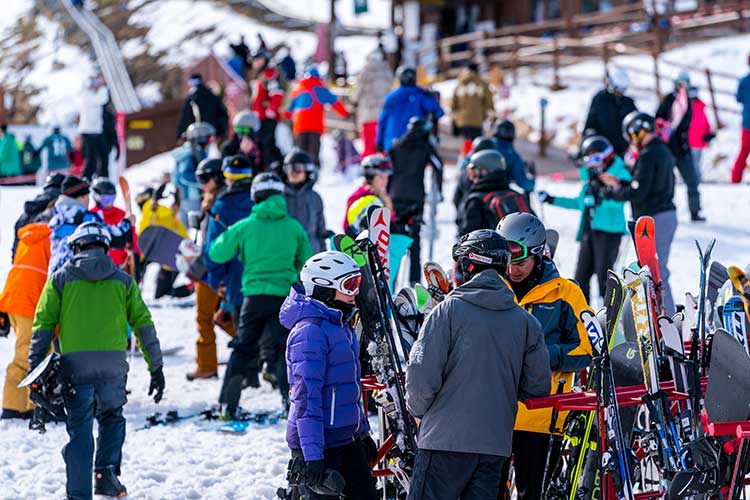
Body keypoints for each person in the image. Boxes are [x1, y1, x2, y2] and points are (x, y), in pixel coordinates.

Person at [406, 229, 552, 500]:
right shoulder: (526, 322)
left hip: (443, 442)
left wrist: (417, 410)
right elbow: (538, 387)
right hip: (494, 447)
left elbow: (421, 374)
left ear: (469, 265)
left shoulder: (447, 312)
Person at [27, 221, 164, 500]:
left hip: (74, 369)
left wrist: (34, 370)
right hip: (113, 368)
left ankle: (79, 495)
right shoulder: (123, 280)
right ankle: (105, 476)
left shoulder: (60, 278)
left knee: (80, 430)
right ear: (104, 247)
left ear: (76, 247)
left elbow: (43, 324)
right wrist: (156, 366)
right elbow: (143, 324)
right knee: (112, 417)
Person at [496, 212, 593, 500]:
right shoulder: (493, 290)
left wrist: (539, 356)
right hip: (494, 414)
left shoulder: (565, 293)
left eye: (521, 262)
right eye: (508, 261)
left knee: (532, 494)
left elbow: (587, 349)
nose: (513, 269)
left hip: (541, 415)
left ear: (538, 255)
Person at [209, 172, 312, 416]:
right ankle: (291, 405)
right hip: (283, 298)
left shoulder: (245, 226)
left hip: (253, 298)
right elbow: (307, 262)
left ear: (255, 195)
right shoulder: (293, 226)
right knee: (282, 350)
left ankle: (227, 404)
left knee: (243, 348)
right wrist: (288, 273)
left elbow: (216, 252)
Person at [281, 251, 379, 500]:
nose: (355, 292)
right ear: (323, 288)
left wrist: (362, 432)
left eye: (357, 282)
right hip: (319, 444)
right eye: (349, 285)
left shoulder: (341, 324)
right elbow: (306, 401)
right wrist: (313, 457)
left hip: (347, 437)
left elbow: (350, 389)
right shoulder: (310, 333)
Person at [598, 111, 678, 314]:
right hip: (660, 215)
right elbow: (643, 185)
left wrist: (612, 192)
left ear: (636, 132)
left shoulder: (649, 155)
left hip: (656, 217)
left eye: (630, 138)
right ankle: (659, 312)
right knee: (651, 269)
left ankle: (665, 314)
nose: (631, 143)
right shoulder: (659, 151)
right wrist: (620, 183)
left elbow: (638, 192)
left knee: (656, 270)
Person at [538, 135, 631, 302]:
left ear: (606, 156)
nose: (592, 163)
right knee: (580, 277)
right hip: (589, 231)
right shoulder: (591, 176)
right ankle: (583, 317)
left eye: (596, 157)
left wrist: (601, 199)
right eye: (589, 158)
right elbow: (581, 203)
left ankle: (611, 319)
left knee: (605, 277)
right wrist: (551, 199)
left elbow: (622, 199)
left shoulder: (616, 173)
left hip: (609, 232)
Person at [202, 156, 255, 365]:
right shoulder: (260, 204)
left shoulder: (221, 207)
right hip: (263, 277)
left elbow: (214, 250)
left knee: (241, 328)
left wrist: (217, 280)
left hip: (235, 279)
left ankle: (248, 373)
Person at [186, 158, 236, 381]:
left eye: (204, 178)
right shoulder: (211, 200)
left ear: (217, 177)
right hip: (210, 267)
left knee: (209, 318)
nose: (202, 184)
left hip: (214, 270)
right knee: (222, 316)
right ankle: (255, 354)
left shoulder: (222, 202)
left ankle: (208, 365)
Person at [0, 220, 51, 419]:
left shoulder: (30, 237)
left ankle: (28, 405)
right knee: (28, 354)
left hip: (14, 300)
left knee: (32, 351)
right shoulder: (51, 238)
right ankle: (14, 406)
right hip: (30, 301)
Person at [388, 117, 442, 283]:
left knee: (395, 242)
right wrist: (438, 190)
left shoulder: (397, 145)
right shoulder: (425, 147)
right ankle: (414, 282)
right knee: (414, 242)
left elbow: (388, 168)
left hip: (395, 197)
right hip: (415, 198)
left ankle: (392, 280)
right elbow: (438, 166)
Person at [48, 175, 132, 275]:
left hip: (56, 278)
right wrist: (127, 222)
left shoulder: (56, 216)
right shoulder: (86, 218)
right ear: (82, 196)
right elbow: (115, 238)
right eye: (87, 196)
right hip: (78, 278)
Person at [655, 71, 704, 222]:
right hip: (669, 149)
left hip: (683, 149)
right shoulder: (668, 101)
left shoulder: (687, 102)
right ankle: (665, 212)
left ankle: (695, 211)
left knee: (692, 181)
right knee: (667, 183)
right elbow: (658, 120)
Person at [137, 183, 194, 300]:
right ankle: (189, 288)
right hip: (162, 254)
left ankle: (189, 288)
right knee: (161, 292)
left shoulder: (153, 210)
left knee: (161, 293)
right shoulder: (154, 213)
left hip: (168, 257)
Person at [457, 149, 530, 237]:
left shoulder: (476, 200)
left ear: (484, 172)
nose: (471, 178)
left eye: (473, 172)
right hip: (522, 249)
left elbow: (468, 237)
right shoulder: (517, 195)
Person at [286, 66, 349, 166]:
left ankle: (301, 174)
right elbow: (335, 102)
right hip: (315, 126)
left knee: (301, 152)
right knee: (313, 153)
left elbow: (289, 109)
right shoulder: (321, 89)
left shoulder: (298, 89)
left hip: (300, 126)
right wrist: (345, 114)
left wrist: (286, 116)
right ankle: (313, 173)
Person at [376, 67, 444, 153]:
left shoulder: (391, 97)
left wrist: (379, 142)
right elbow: (438, 112)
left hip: (394, 144)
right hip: (417, 143)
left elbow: (382, 122)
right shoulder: (421, 94)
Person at [583, 66, 637, 157]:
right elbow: (590, 123)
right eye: (618, 89)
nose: (620, 92)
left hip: (622, 151)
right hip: (602, 150)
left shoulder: (628, 103)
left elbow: (634, 120)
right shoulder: (600, 99)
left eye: (623, 89)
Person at [282, 148, 328, 253]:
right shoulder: (280, 197)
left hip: (310, 253)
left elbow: (320, 231)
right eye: (289, 168)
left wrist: (323, 255)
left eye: (297, 168)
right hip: (287, 253)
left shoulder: (314, 197)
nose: (293, 173)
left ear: (307, 170)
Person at [12, 173, 65, 259]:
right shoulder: (61, 210)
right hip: (46, 267)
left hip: (23, 266)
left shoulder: (27, 213)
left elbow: (15, 250)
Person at [173, 121, 215, 225]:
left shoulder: (196, 151)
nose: (209, 143)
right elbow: (186, 175)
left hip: (188, 197)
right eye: (208, 139)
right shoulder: (190, 153)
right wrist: (204, 182)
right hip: (191, 197)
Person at [354, 51, 394, 157]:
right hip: (383, 114)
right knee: (382, 145)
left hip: (368, 114)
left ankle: (368, 170)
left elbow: (356, 94)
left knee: (368, 146)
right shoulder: (387, 71)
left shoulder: (365, 72)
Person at [250, 50, 286, 169]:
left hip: (267, 117)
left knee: (264, 143)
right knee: (269, 144)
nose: (256, 63)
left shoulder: (269, 73)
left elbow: (277, 93)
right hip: (260, 116)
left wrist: (271, 109)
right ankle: (279, 165)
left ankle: (266, 167)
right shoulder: (260, 75)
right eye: (254, 60)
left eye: (258, 60)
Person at [451, 62, 495, 155]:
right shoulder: (482, 83)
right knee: (477, 145)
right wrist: (492, 117)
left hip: (462, 121)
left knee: (467, 143)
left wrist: (454, 121)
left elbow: (453, 104)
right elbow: (489, 103)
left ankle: (466, 161)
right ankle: (473, 163)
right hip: (476, 120)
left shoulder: (460, 82)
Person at [90, 178, 134, 270]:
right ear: (96, 197)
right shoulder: (92, 216)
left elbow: (132, 238)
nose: (109, 203)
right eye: (106, 199)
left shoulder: (121, 214)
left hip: (121, 265)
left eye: (112, 198)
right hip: (101, 266)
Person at [342, 153, 393, 232]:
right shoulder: (359, 196)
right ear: (370, 177)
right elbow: (348, 226)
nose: (385, 181)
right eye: (381, 177)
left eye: (386, 177)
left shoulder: (384, 196)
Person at [176, 73, 229, 141]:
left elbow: (186, 118)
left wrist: (180, 135)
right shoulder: (212, 96)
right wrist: (221, 132)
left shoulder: (192, 99)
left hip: (198, 136)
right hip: (214, 135)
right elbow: (223, 114)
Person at [453, 136, 497, 212]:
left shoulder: (466, 168)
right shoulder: (495, 172)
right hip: (474, 213)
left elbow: (456, 198)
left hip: (465, 211)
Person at [79, 77, 110, 180]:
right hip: (88, 132)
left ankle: (103, 178)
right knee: (91, 158)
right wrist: (102, 87)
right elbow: (101, 100)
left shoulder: (93, 95)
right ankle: (86, 179)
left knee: (104, 156)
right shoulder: (86, 96)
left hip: (96, 131)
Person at [494, 120, 535, 193]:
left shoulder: (484, 145)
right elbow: (523, 183)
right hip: (498, 195)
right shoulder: (513, 155)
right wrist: (533, 177)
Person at [220, 110, 263, 175]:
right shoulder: (227, 148)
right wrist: (242, 153)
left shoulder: (262, 146)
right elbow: (227, 171)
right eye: (238, 129)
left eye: (246, 130)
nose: (242, 134)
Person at [687, 86, 714, 185]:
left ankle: (695, 182)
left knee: (695, 163)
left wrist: (708, 134)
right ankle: (694, 181)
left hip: (696, 140)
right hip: (690, 140)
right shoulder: (688, 107)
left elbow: (705, 123)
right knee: (693, 162)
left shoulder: (699, 107)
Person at [732, 53, 750, 183]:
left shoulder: (744, 81)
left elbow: (738, 98)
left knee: (743, 152)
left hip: (747, 123)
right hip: (747, 123)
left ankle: (735, 178)